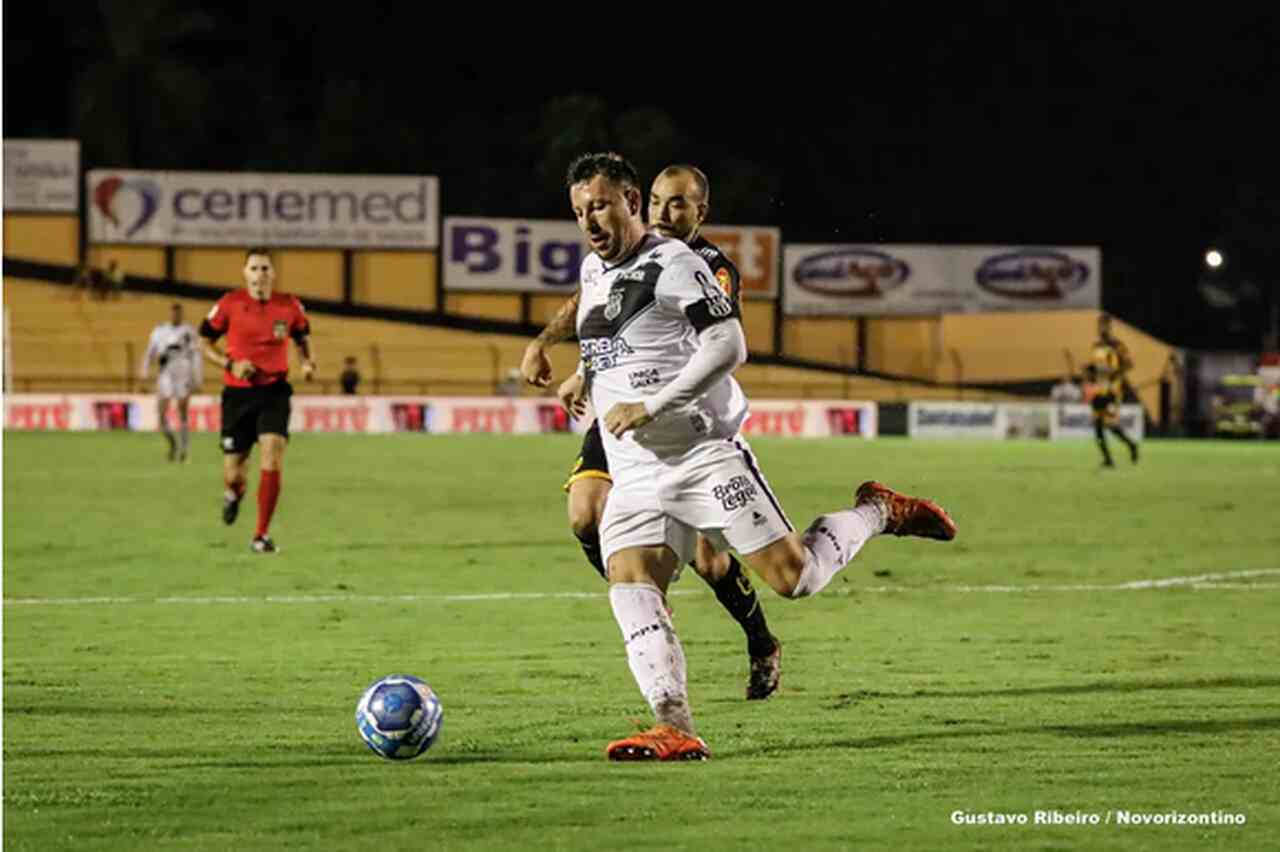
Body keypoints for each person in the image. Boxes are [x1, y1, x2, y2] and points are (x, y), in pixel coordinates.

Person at [557, 153, 956, 761]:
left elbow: (728, 343)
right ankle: (674, 724)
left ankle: (876, 511)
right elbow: (612, 332)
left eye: (602, 206)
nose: (591, 220)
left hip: (701, 455)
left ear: (632, 203)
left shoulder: (677, 264)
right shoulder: (592, 271)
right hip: (635, 470)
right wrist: (582, 373)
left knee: (795, 578)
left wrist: (652, 405)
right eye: (581, 210)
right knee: (631, 584)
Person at [522, 164, 783, 701]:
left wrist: (655, 396)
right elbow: (602, 312)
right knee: (584, 511)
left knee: (713, 561)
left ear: (700, 213)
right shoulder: (614, 259)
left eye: (679, 204)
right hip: (621, 415)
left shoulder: (704, 266)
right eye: (661, 202)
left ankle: (760, 641)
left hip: (681, 425)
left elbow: (706, 340)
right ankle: (650, 600)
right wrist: (570, 361)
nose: (666, 213)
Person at [199, 247, 316, 553]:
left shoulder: (289, 306)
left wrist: (306, 362)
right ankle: (233, 493)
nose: (260, 274)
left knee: (272, 454)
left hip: (274, 392)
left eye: (265, 268)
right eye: (254, 268)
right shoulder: (230, 303)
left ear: (273, 274)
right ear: (244, 273)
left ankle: (260, 535)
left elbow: (302, 338)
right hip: (237, 395)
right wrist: (230, 364)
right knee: (234, 472)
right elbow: (203, 343)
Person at [140, 302, 202, 461]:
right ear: (170, 314)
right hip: (165, 374)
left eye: (178, 313)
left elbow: (196, 356)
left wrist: (197, 379)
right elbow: (149, 353)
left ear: (182, 314)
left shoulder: (189, 332)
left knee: (183, 413)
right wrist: (144, 375)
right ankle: (172, 444)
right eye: (173, 313)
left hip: (183, 374)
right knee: (161, 414)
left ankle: (184, 450)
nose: (176, 316)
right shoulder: (159, 331)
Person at [1089, 314, 1139, 467]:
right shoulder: (1095, 345)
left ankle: (1131, 445)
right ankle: (1108, 460)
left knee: (1110, 425)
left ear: (1110, 327)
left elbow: (1129, 364)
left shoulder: (1117, 345)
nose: (1102, 328)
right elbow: (1097, 368)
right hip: (1098, 390)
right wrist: (1090, 374)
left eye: (1105, 325)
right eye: (1100, 325)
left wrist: (1115, 375)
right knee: (1097, 426)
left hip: (1112, 391)